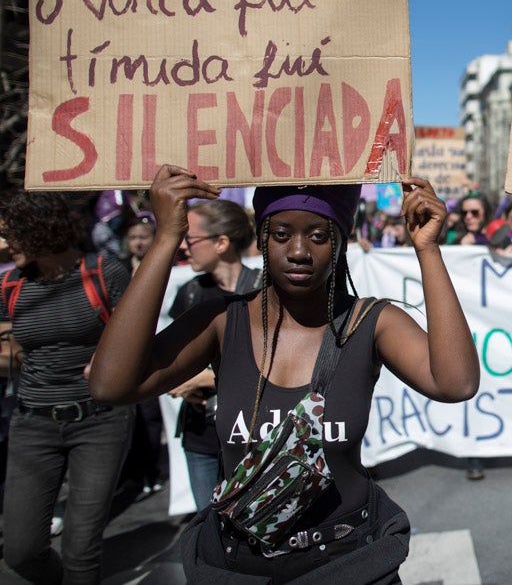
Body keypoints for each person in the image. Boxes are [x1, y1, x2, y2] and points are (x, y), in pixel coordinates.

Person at [89, 165, 479, 581]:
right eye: (281, 235)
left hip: (348, 561)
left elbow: (456, 382)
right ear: (261, 238)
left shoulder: (372, 323)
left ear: (340, 243)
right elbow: (111, 383)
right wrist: (166, 237)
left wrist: (427, 250)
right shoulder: (222, 321)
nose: (298, 251)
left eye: (318, 236)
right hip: (239, 564)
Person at [0, 191, 133, 584]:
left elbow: (138, 336)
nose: (6, 245)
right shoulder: (10, 286)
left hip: (100, 421)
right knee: (21, 551)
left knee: (80, 549)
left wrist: (113, 360)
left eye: (12, 235)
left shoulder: (104, 273)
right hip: (32, 424)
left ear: (40, 231)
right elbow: (8, 347)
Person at [168, 198, 260, 511]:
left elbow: (276, 366)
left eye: (190, 238)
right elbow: (171, 360)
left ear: (221, 242)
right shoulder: (190, 293)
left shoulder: (263, 291)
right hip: (201, 438)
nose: (182, 246)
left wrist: (205, 379)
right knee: (210, 530)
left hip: (254, 435)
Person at [118, 211, 167, 496]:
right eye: (133, 237)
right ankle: (133, 473)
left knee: (150, 415)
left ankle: (150, 470)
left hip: (159, 344)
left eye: (142, 237)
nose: (137, 243)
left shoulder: (167, 268)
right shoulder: (119, 268)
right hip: (130, 349)